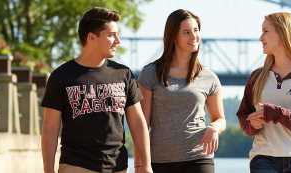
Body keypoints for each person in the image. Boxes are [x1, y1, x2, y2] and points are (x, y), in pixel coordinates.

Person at [40, 7, 152, 173]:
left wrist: (145, 165)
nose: (118, 41)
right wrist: (48, 170)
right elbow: (50, 128)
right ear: (91, 37)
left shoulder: (124, 74)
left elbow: (137, 121)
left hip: (117, 167)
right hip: (76, 166)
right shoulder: (60, 76)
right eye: (111, 35)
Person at [137, 9, 225, 173]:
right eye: (186, 32)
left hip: (199, 159)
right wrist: (140, 165)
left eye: (196, 30)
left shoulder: (209, 77)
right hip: (160, 160)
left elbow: (220, 118)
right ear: (173, 36)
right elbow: (142, 125)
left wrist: (214, 128)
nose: (194, 36)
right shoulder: (150, 73)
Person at [236, 12, 291, 173]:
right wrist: (252, 124)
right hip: (263, 159)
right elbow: (244, 119)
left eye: (265, 31)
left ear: (283, 33)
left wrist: (276, 113)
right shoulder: (257, 77)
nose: (260, 37)